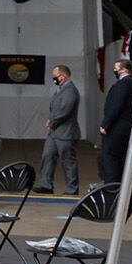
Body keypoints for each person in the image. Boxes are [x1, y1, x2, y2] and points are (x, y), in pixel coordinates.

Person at [37, 63, 81, 195]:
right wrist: (51, 121)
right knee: (47, 156)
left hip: (66, 133)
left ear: (63, 76)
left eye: (55, 76)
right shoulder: (61, 90)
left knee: (68, 161)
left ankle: (71, 189)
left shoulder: (71, 91)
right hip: (54, 132)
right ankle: (46, 185)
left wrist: (52, 122)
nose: (54, 79)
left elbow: (65, 111)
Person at [100, 59, 132, 186]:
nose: (115, 70)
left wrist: (106, 124)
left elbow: (115, 106)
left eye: (116, 68)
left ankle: (112, 186)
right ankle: (121, 187)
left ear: (123, 70)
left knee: (110, 158)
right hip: (126, 128)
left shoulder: (122, 84)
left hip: (117, 128)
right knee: (120, 158)